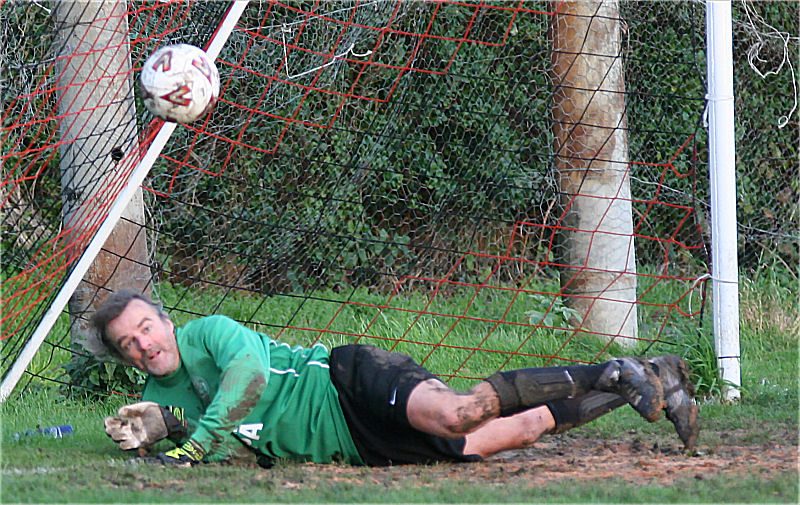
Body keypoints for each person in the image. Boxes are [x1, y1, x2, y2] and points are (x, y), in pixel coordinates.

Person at [89, 290, 698, 467]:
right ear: (126, 358)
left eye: (147, 327)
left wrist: (192, 441)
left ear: (167, 321)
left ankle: (610, 367)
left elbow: (246, 380)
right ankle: (649, 381)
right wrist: (164, 429)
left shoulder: (211, 332)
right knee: (511, 434)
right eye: (129, 344)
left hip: (345, 380)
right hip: (353, 445)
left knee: (458, 413)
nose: (144, 343)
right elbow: (233, 445)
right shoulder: (153, 398)